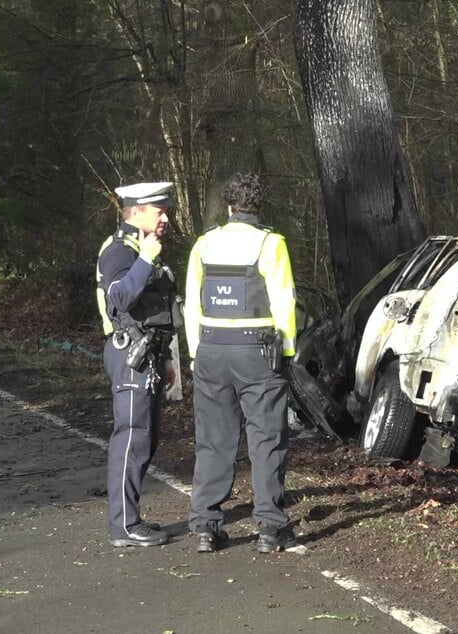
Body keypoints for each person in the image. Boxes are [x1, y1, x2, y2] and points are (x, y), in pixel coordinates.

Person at [184, 171, 297, 554]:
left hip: (211, 349)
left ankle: (206, 526)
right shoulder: (271, 243)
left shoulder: (204, 244)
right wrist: (287, 353)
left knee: (214, 439)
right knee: (266, 438)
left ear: (229, 206)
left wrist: (194, 352)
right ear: (257, 205)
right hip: (258, 352)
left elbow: (191, 303)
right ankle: (269, 528)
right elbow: (284, 301)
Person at [96, 181, 182, 547]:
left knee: (144, 439)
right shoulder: (120, 251)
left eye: (165, 210)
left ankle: (129, 520)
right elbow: (121, 297)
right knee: (131, 438)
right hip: (129, 354)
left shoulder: (141, 249)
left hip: (147, 354)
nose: (165, 217)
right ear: (135, 211)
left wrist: (166, 360)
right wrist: (146, 259)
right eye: (157, 210)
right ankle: (124, 526)